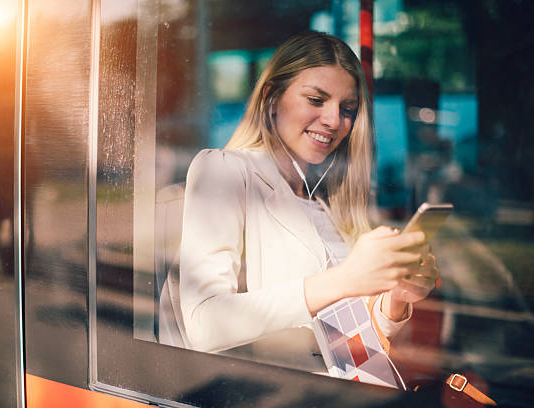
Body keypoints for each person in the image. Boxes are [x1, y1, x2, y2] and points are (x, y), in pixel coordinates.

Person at [178, 31, 439, 358]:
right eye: (316, 100)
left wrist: (397, 298)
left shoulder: (326, 201)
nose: (334, 120)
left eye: (348, 108)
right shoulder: (225, 170)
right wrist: (346, 279)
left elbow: (350, 344)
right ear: (272, 98)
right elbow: (204, 324)